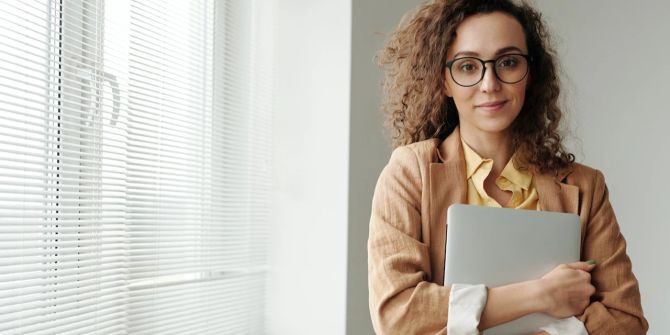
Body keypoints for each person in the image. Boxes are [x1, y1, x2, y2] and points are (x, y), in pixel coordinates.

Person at [367, 0, 648, 334]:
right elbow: (398, 315)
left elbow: (626, 321)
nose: (490, 84)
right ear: (443, 80)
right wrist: (541, 295)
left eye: (509, 62)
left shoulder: (585, 186)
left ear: (530, 74)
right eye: (468, 66)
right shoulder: (409, 173)